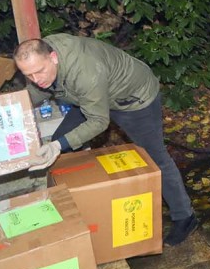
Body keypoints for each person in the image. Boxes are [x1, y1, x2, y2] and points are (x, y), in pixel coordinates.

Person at [14, 35, 198, 246]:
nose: (37, 79)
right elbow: (36, 92)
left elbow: (99, 121)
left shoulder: (85, 72)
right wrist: (5, 109)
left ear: (53, 57)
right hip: (91, 98)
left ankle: (185, 216)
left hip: (133, 99)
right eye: (29, 75)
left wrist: (56, 146)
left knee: (156, 158)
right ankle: (80, 206)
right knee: (63, 145)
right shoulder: (43, 55)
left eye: (39, 71)